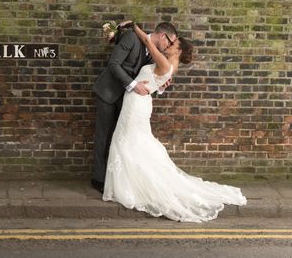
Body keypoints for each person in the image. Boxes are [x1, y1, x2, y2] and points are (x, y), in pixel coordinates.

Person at [102, 23, 247, 223]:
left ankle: (131, 185)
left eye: (173, 43)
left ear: (177, 49)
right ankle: (128, 182)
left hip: (137, 102)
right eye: (171, 41)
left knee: (128, 141)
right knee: (131, 141)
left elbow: (146, 40)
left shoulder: (164, 62)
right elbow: (157, 79)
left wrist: (133, 25)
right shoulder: (169, 64)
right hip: (138, 102)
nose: (169, 45)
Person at [92, 20, 177, 193]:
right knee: (105, 136)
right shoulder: (131, 38)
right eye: (169, 41)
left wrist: (160, 86)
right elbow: (114, 64)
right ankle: (98, 179)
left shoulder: (154, 53)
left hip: (127, 100)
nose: (169, 46)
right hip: (108, 93)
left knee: (120, 139)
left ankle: (115, 179)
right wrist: (132, 84)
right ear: (162, 35)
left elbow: (148, 78)